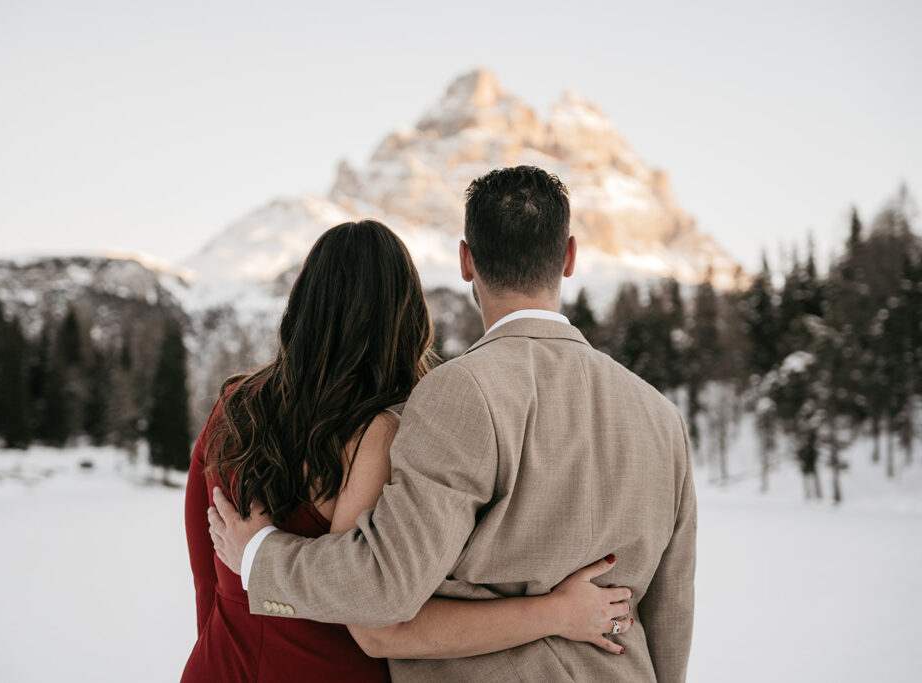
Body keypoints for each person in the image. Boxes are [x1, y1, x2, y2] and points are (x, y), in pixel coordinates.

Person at [210, 167, 697, 682]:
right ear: (569, 255)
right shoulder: (661, 416)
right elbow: (671, 615)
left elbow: (387, 587)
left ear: (467, 261)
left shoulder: (459, 393)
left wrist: (261, 556)